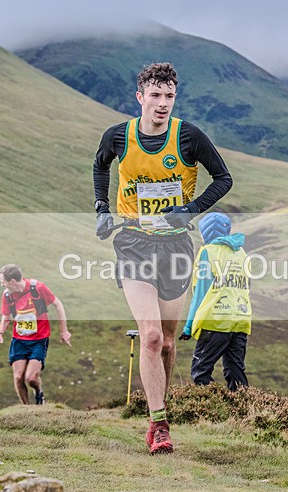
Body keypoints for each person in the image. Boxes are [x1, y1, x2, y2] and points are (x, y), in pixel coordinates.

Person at [92, 62, 233, 454]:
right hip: (134, 241)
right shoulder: (118, 136)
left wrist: (190, 210)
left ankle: (160, 407)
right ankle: (159, 423)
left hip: (175, 246)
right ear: (140, 97)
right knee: (151, 336)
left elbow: (224, 178)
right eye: (155, 96)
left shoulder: (188, 136)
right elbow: (100, 165)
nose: (162, 104)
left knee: (169, 343)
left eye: (169, 96)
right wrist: (103, 208)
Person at [180, 213, 251, 391]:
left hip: (215, 320)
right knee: (236, 372)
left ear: (205, 233)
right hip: (240, 319)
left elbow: (201, 293)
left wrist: (188, 327)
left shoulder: (207, 252)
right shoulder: (242, 253)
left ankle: (207, 409)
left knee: (200, 371)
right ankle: (245, 410)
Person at [0, 264, 72, 405]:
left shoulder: (37, 288)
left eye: (3, 282)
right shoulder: (7, 295)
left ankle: (39, 392)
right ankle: (27, 409)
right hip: (19, 340)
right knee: (18, 378)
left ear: (12, 281)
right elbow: (6, 317)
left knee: (31, 378)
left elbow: (58, 304)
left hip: (38, 340)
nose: (1, 285)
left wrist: (64, 330)